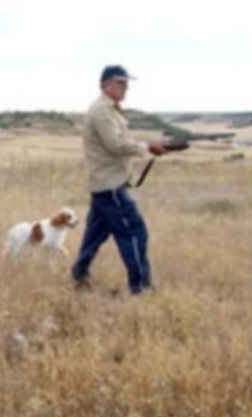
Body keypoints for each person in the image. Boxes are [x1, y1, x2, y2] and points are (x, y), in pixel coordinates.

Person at [71, 65, 170, 294]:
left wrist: (149, 146)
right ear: (105, 85)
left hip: (105, 184)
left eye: (126, 83)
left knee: (94, 235)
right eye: (119, 82)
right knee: (134, 232)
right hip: (110, 186)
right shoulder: (102, 110)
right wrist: (148, 147)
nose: (125, 87)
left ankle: (79, 274)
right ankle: (141, 288)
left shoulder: (109, 109)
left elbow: (117, 141)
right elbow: (115, 145)